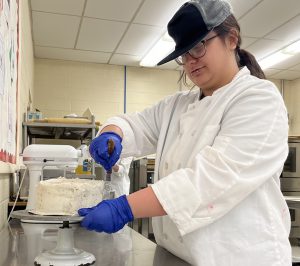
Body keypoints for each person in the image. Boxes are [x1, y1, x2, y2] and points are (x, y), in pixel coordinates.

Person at [78, 0, 291, 265]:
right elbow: (135, 124)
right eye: (184, 53)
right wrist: (112, 134)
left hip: (240, 257)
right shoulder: (178, 105)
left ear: (231, 39)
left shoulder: (259, 99)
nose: (190, 61)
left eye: (199, 46)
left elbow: (211, 179)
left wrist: (125, 208)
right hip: (179, 256)